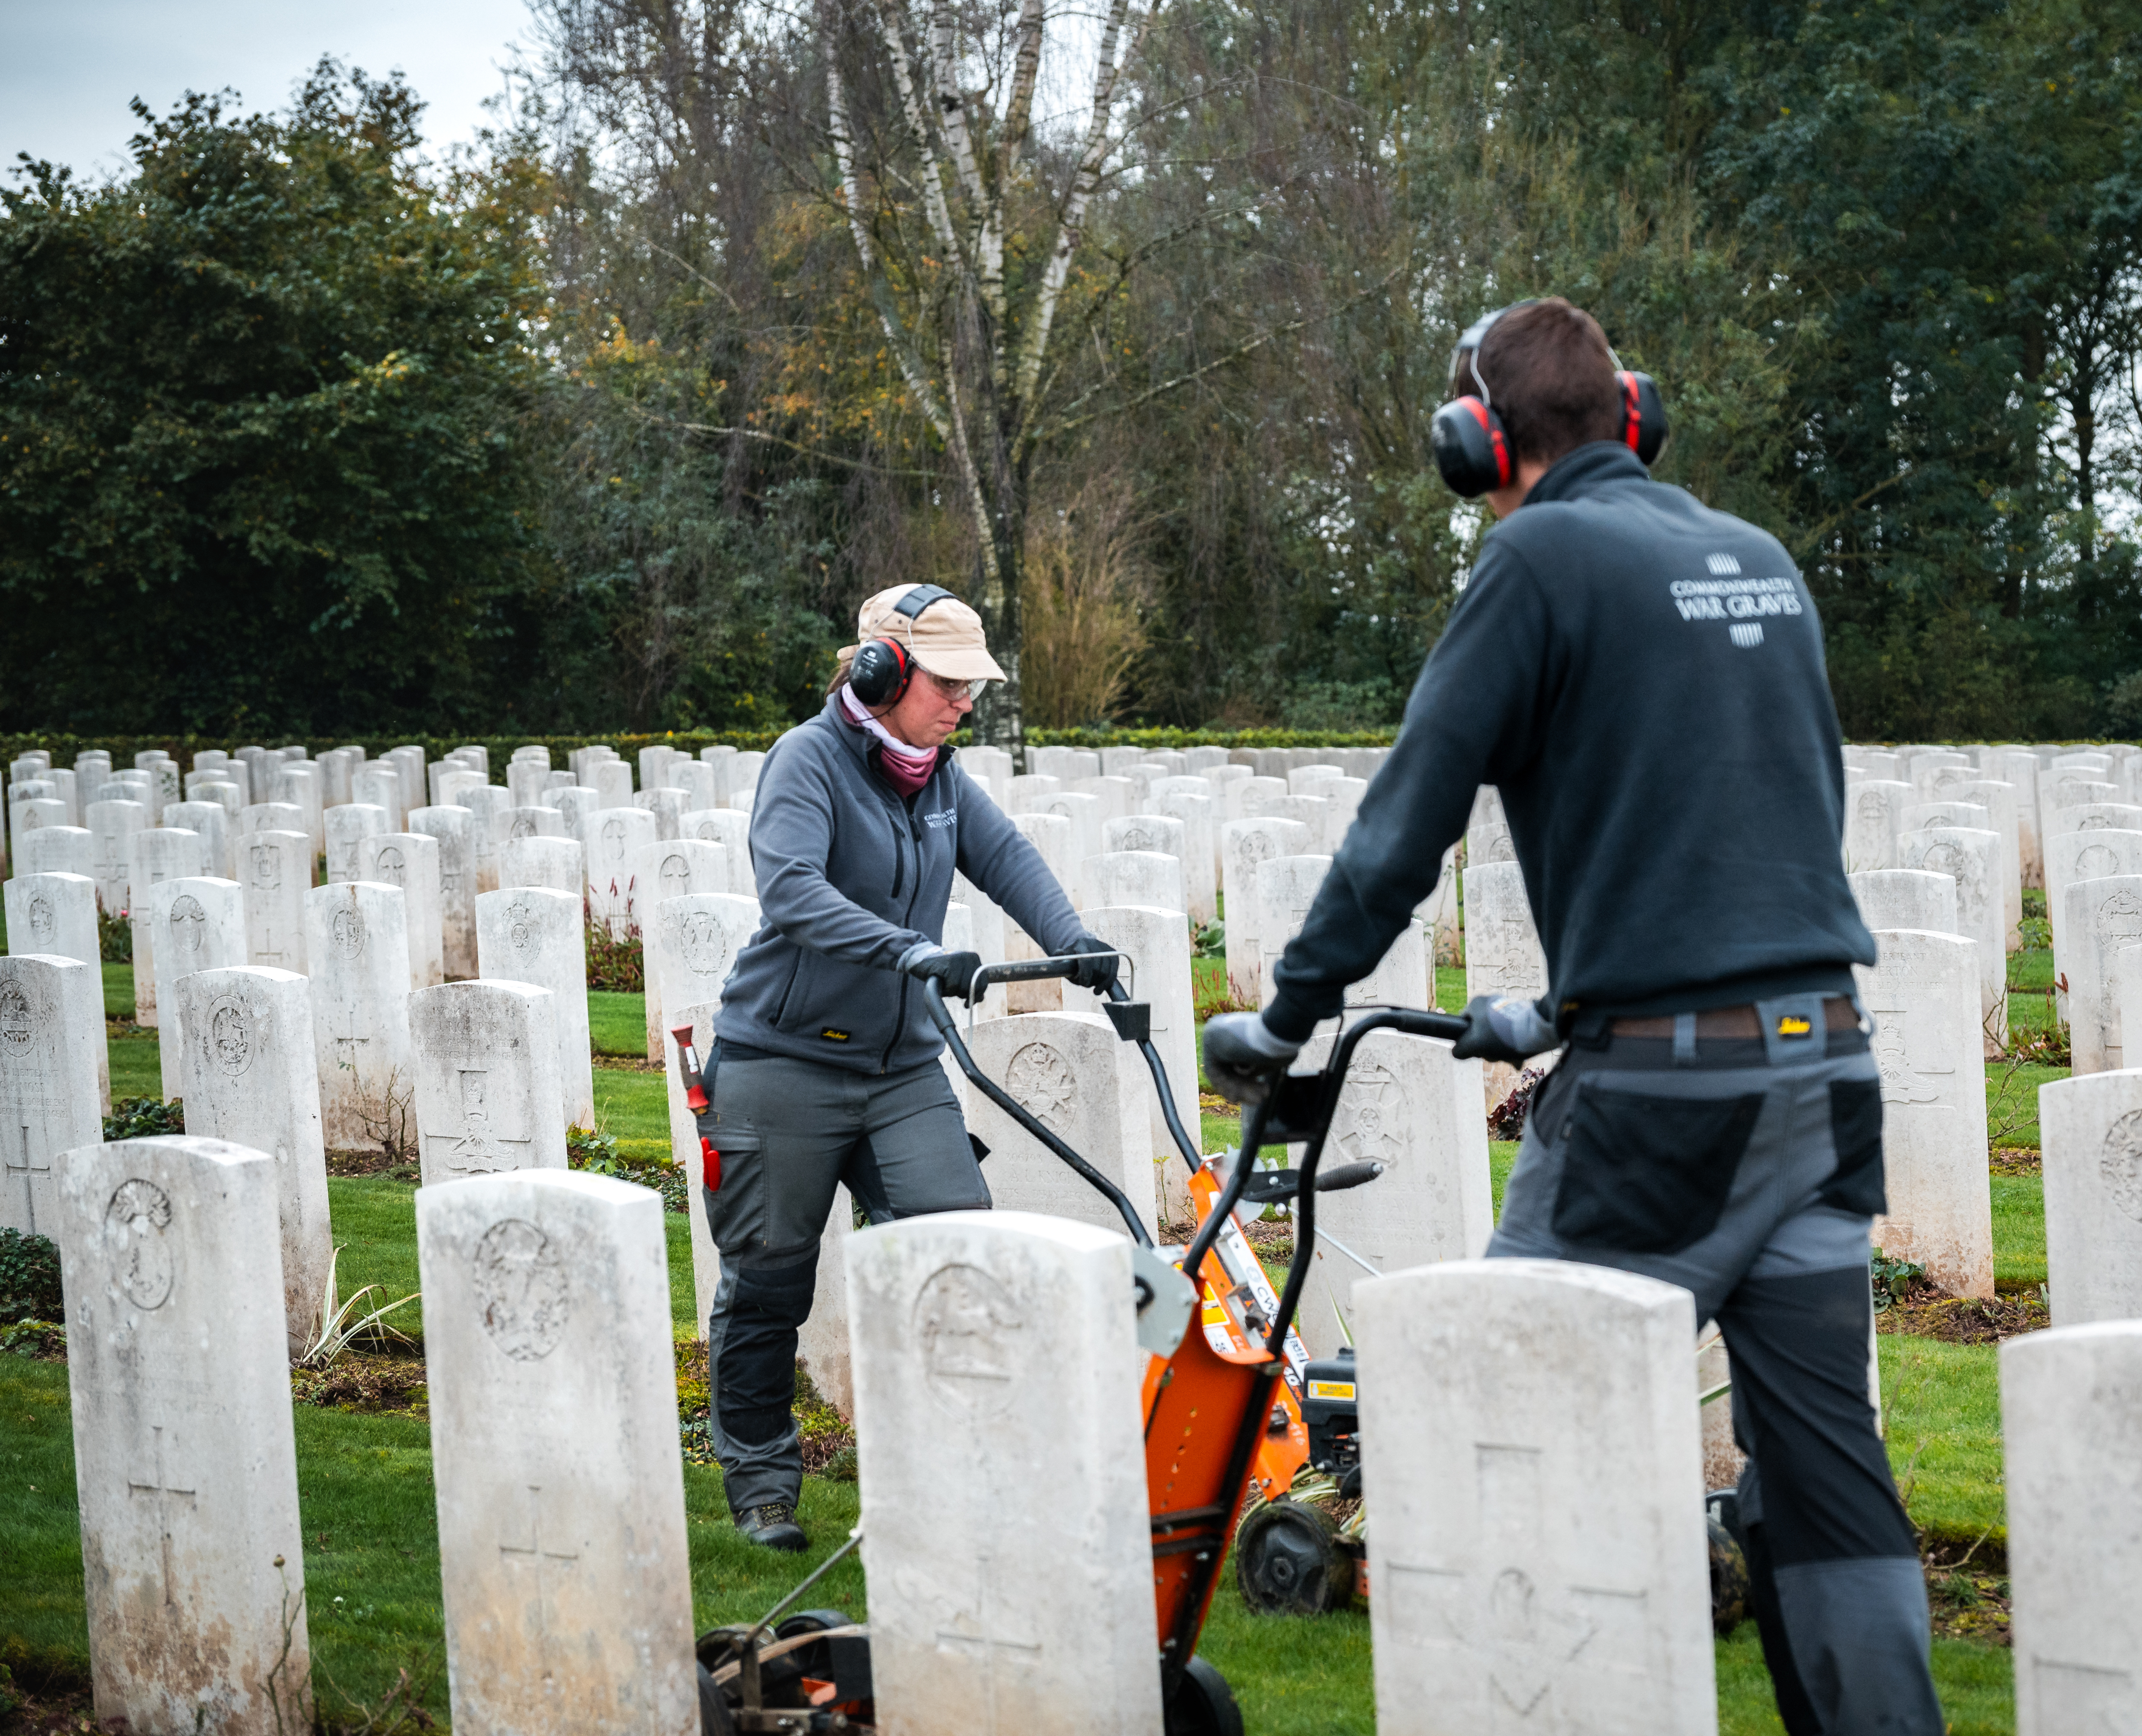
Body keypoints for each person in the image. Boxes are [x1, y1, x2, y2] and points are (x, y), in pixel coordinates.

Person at [1203, 299, 1944, 1733]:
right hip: (1818, 1072)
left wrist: (1286, 1021)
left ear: (1475, 444)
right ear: (1632, 414)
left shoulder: (1530, 559)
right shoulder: (1755, 556)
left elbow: (1397, 831)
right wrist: (1554, 1005)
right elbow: (1751, 839)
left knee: (1503, 1422)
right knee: (1819, 1475)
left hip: (1659, 1115)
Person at [703, 583, 1116, 1550]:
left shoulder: (937, 775)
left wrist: (1075, 940)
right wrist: (907, 949)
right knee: (769, 1281)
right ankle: (764, 1484)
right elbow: (795, 891)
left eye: (975, 684)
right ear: (884, 670)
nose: (965, 701)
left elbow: (1005, 856)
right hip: (782, 1061)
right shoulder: (807, 761)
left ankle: (956, 1472)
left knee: (957, 1253)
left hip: (900, 1070)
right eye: (949, 681)